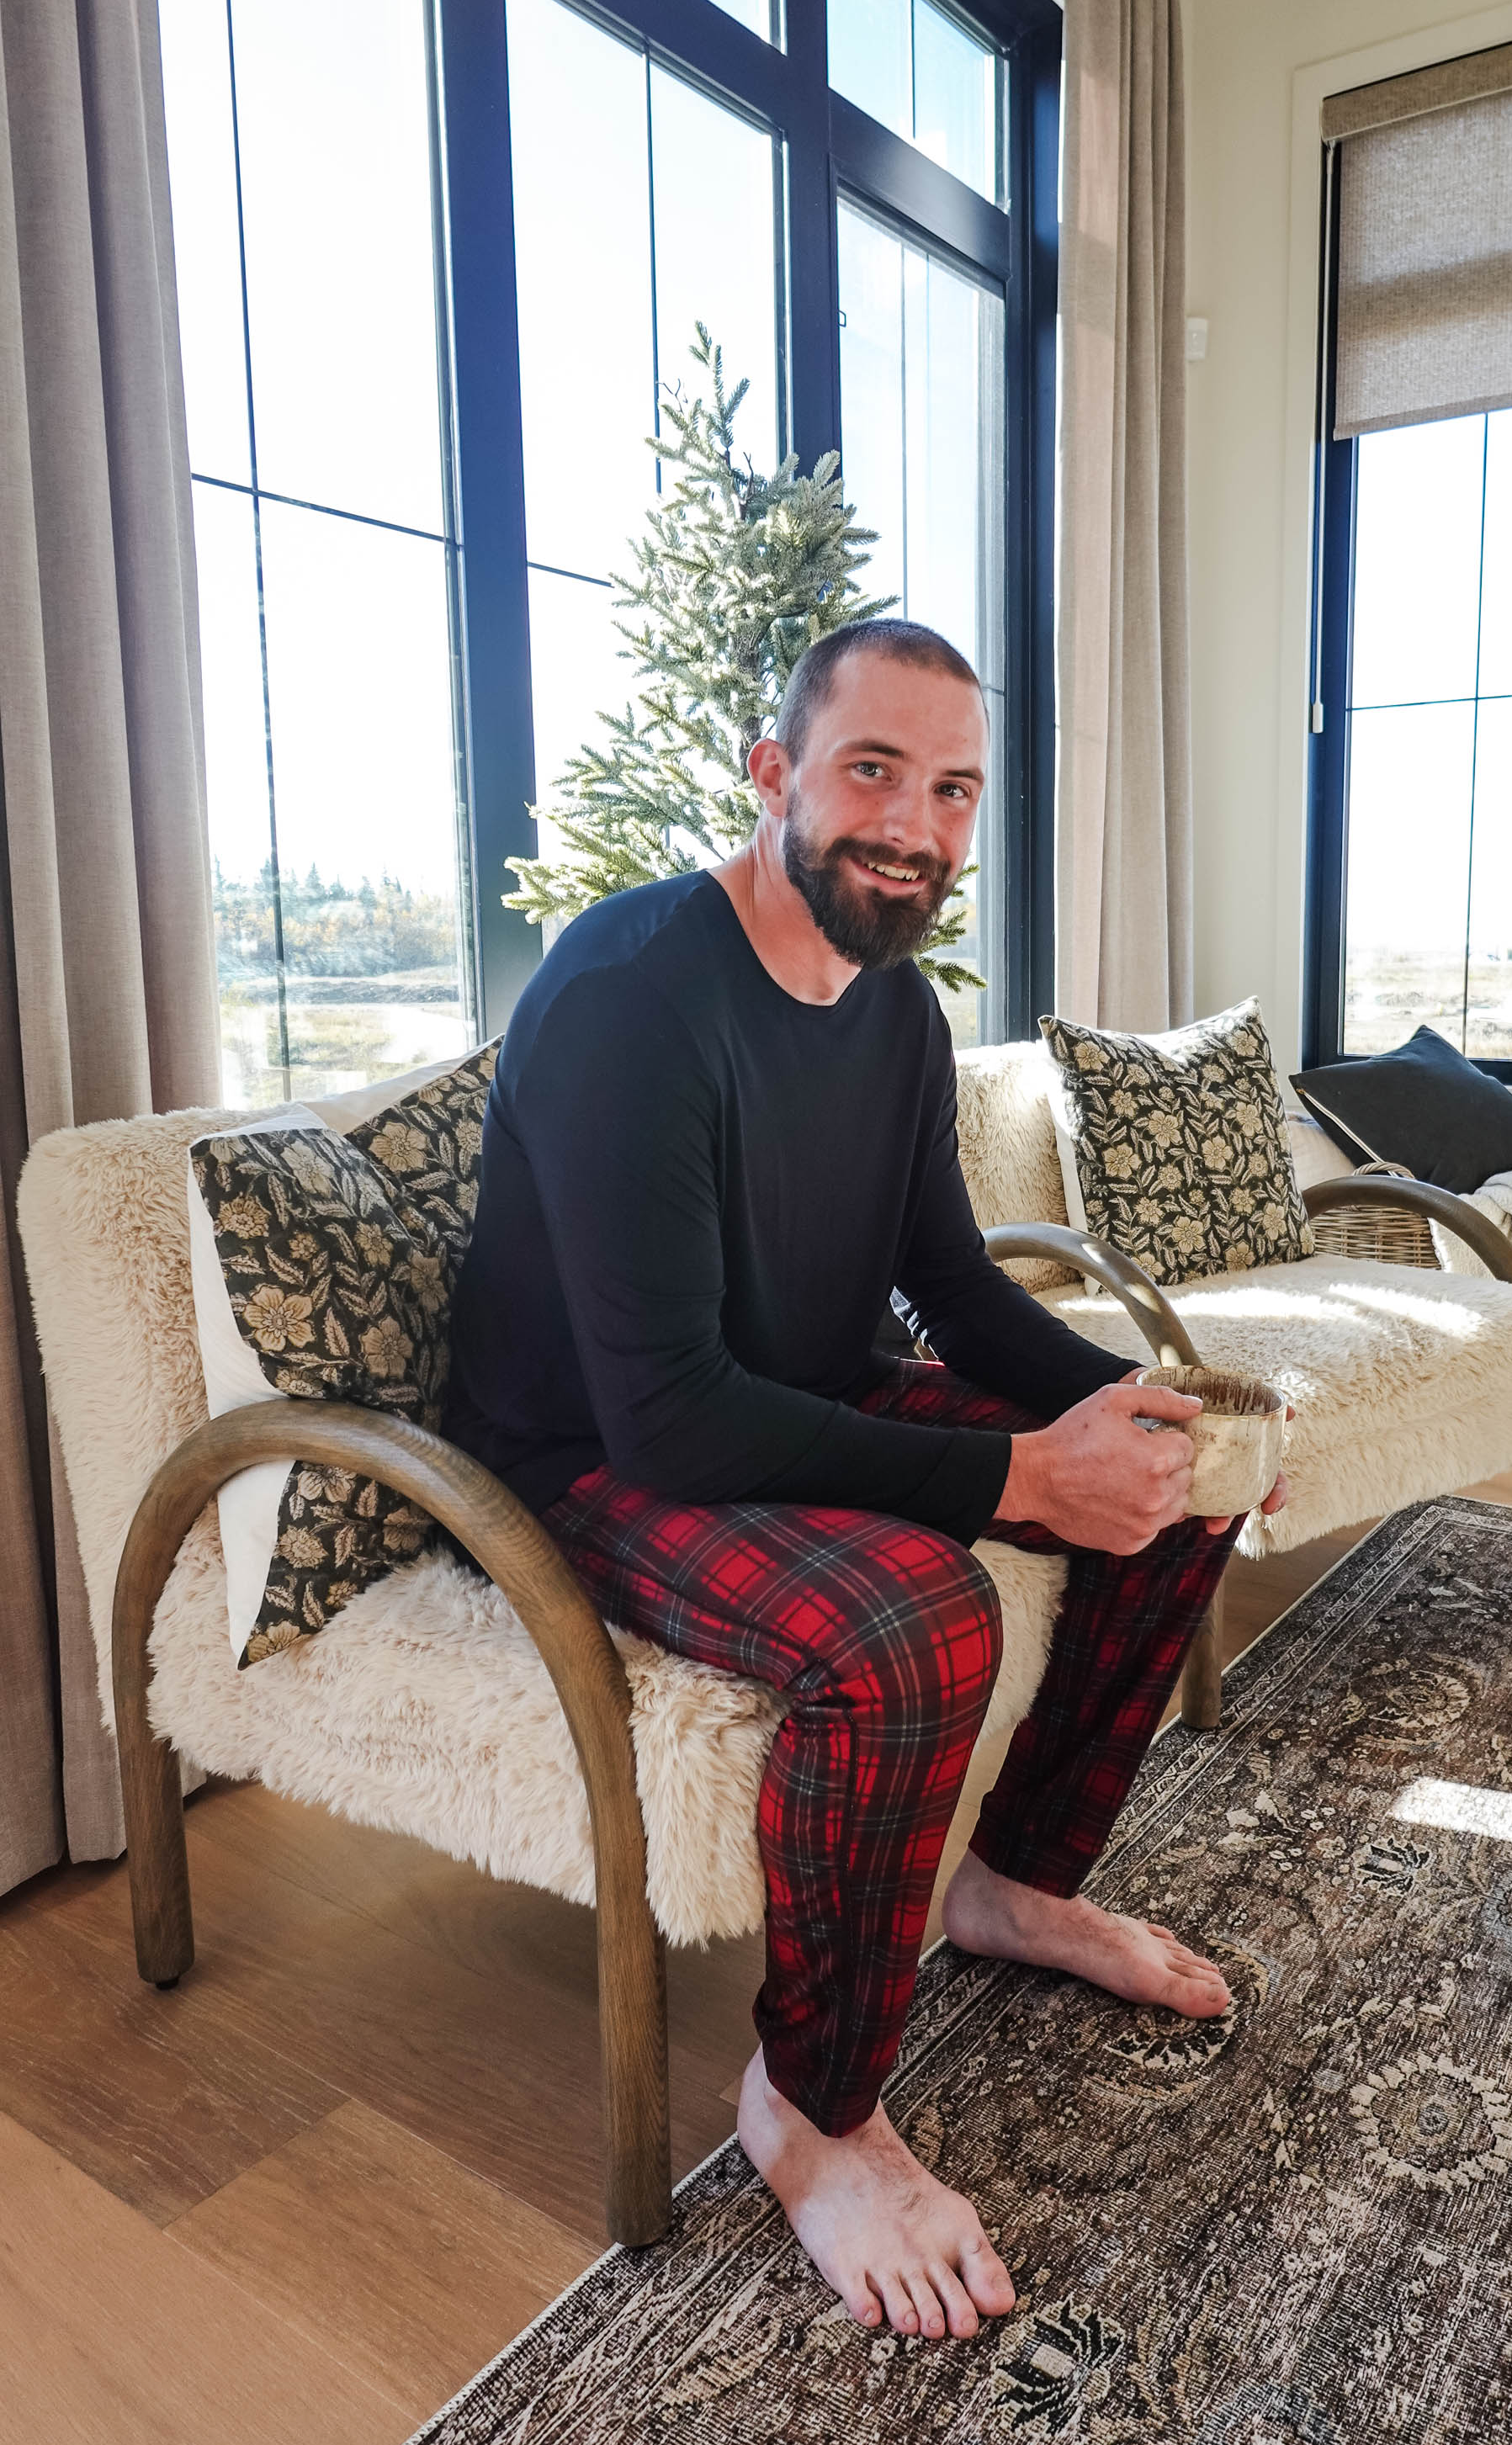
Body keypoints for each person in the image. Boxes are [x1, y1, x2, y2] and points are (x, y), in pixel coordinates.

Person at [446, 620, 1287, 2342]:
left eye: (954, 787)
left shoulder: (897, 1011)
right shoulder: (628, 999)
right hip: (587, 1451)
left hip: (786, 1390)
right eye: (873, 772)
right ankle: (811, 2109)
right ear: (773, 778)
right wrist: (1009, 1477)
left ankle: (1012, 1883)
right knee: (914, 1621)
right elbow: (672, 1417)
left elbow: (953, 1283)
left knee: (1169, 1473)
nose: (915, 823)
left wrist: (1126, 1404)